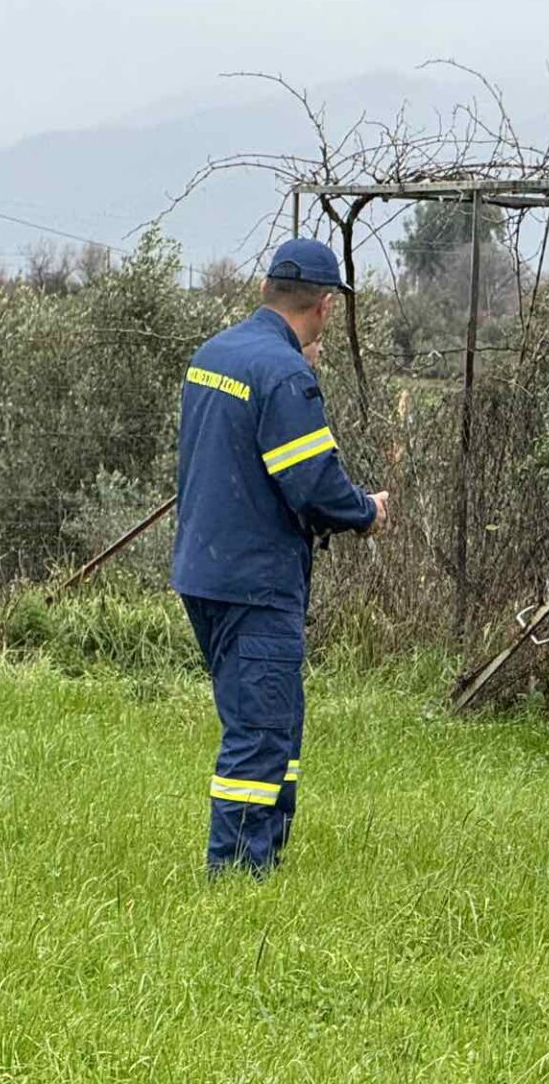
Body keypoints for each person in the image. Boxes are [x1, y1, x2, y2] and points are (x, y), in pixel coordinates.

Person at [172, 238, 389, 877]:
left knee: (275, 720)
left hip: (203, 569)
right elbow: (313, 484)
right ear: (324, 306)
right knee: (260, 732)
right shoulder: (283, 372)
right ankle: (237, 877)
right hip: (255, 580)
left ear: (267, 291)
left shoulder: (214, 354)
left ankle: (269, 848)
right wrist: (366, 511)